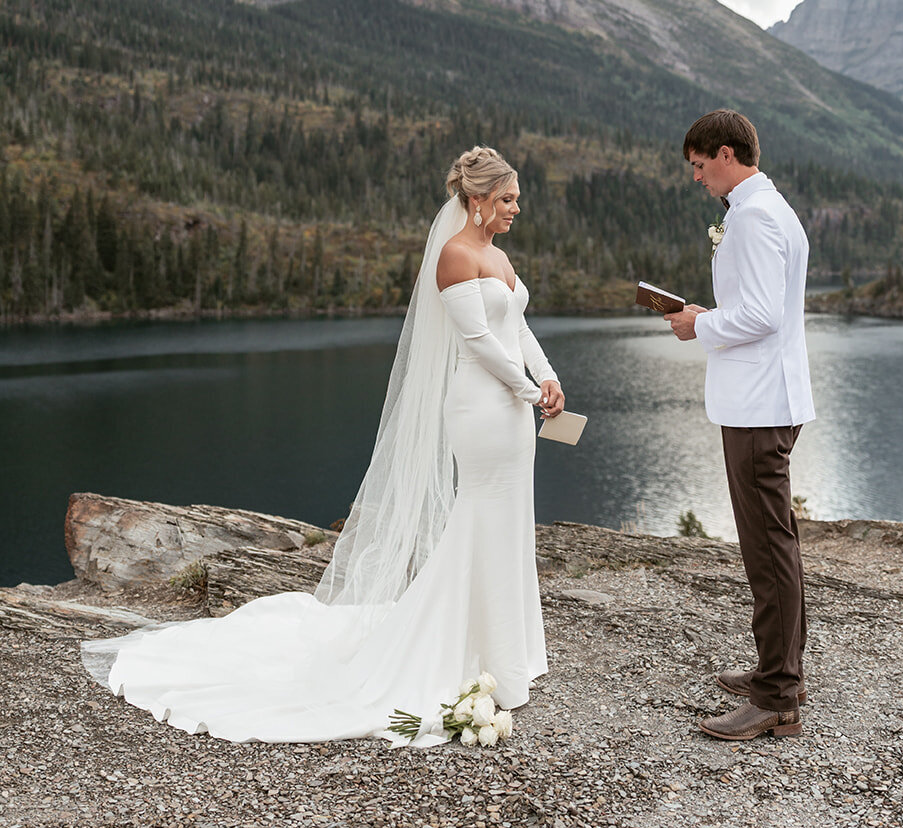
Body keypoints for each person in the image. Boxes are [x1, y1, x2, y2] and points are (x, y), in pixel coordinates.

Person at [81, 146, 565, 746]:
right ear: (476, 200)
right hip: (482, 409)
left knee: (511, 521)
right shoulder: (455, 255)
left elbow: (516, 330)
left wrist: (548, 379)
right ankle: (457, 651)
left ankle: (507, 655)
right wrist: (523, 386)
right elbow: (480, 343)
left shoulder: (499, 255)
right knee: (480, 518)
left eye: (516, 199)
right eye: (508, 200)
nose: (518, 208)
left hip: (516, 410)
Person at [666, 109, 815, 742]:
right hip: (770, 398)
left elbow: (758, 317)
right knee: (776, 542)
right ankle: (777, 674)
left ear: (726, 155)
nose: (697, 178)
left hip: (757, 405)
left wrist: (697, 322)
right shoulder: (771, 209)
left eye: (699, 166)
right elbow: (764, 310)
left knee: (767, 548)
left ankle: (777, 696)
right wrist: (710, 314)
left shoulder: (752, 218)